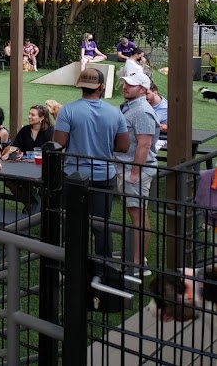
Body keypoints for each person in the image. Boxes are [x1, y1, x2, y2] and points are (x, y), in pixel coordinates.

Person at [53, 67, 129, 257]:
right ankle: (104, 267)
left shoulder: (68, 110)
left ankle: (72, 264)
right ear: (101, 87)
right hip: (105, 175)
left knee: (72, 222)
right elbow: (124, 146)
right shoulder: (115, 112)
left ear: (81, 86)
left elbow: (58, 143)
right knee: (101, 225)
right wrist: (103, 143)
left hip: (73, 174)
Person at [118, 72, 161, 274]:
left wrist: (135, 173)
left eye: (131, 85)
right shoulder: (131, 107)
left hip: (135, 171)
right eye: (125, 84)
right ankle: (134, 257)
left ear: (143, 89)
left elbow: (144, 144)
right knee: (134, 213)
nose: (125, 87)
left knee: (138, 215)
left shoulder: (142, 111)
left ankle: (138, 263)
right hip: (128, 169)